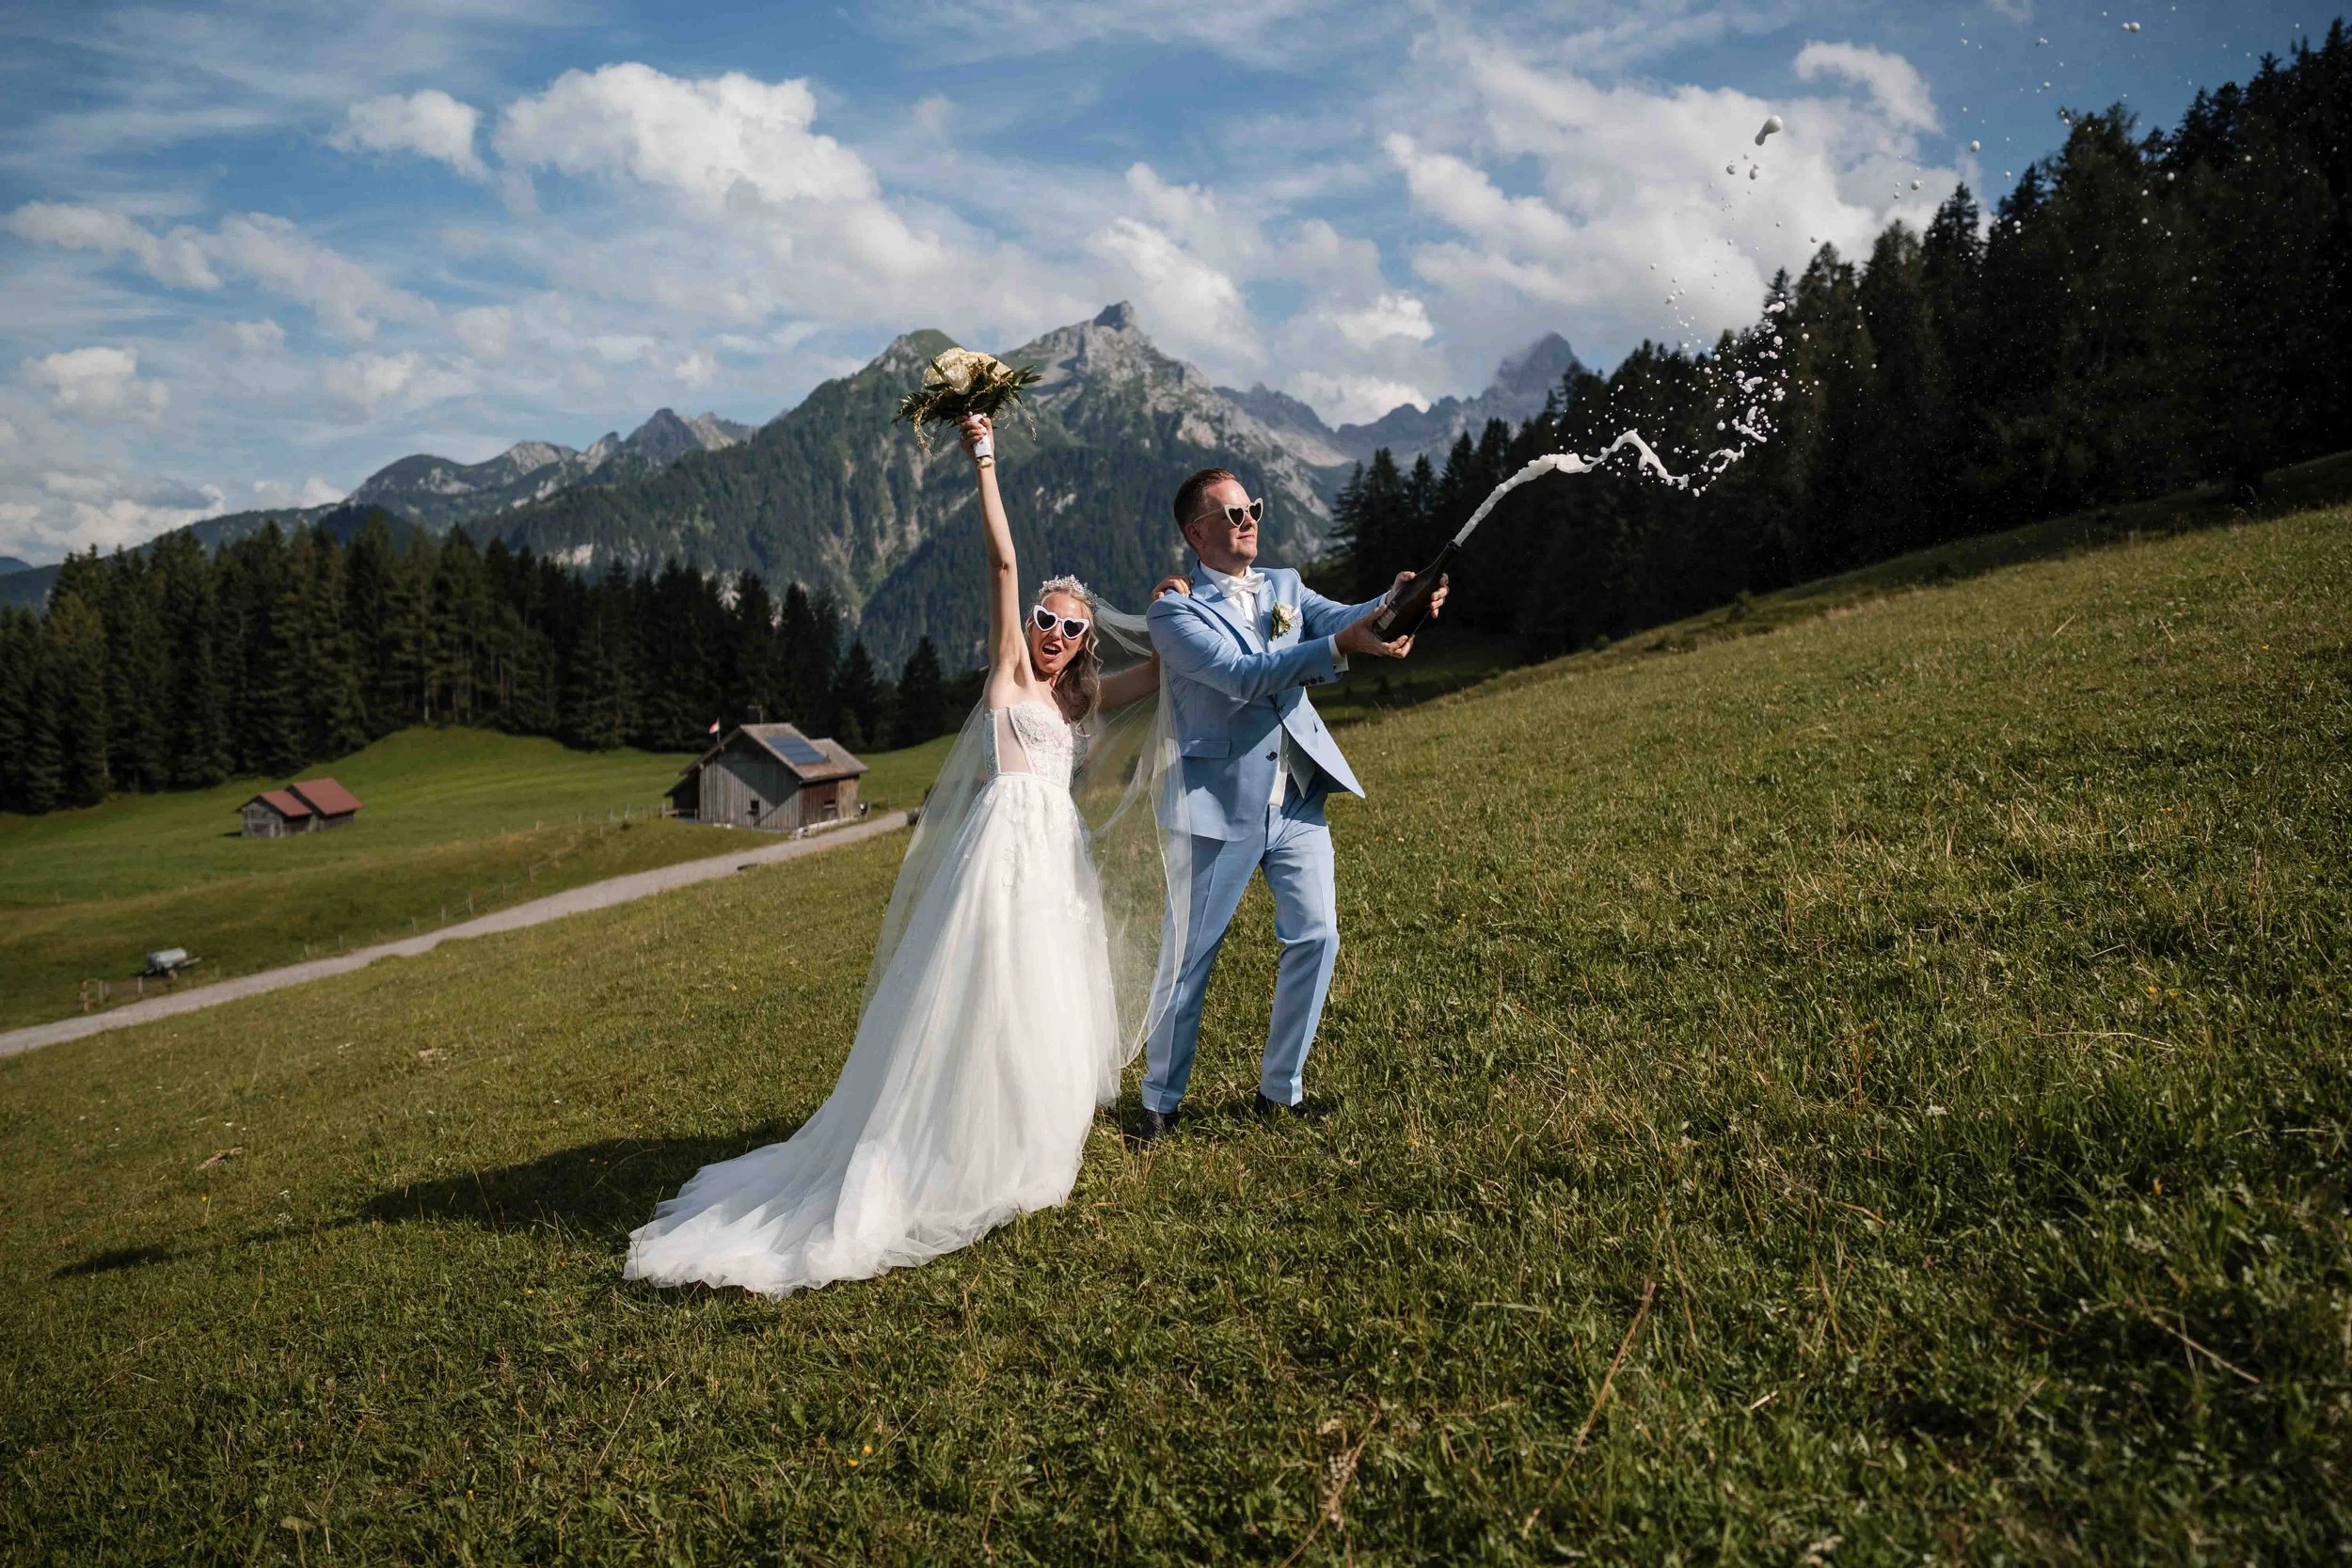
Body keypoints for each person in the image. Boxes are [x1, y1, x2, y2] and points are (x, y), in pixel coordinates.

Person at [624, 413, 1180, 1296]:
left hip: (1054, 859)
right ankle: (953, 1143)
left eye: (1070, 629)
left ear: (1084, 644)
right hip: (1001, 854)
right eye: (1045, 618)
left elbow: (1162, 671)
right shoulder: (1007, 674)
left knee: (1042, 988)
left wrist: (1176, 611)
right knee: (985, 986)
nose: (1053, 633)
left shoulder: (1081, 704)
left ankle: (1022, 1128)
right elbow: (1002, 561)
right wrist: (984, 459)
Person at [1137, 468, 1445, 1142]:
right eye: (1233, 511)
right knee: (1191, 955)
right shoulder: (1174, 612)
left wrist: (1397, 599)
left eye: (1254, 506)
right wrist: (1338, 647)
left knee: (1318, 934)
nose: (1249, 517)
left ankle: (1281, 1089)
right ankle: (1159, 1099)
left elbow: (1343, 618)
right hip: (1217, 803)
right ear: (1197, 531)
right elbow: (1240, 678)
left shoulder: (1285, 585)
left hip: (1299, 792)